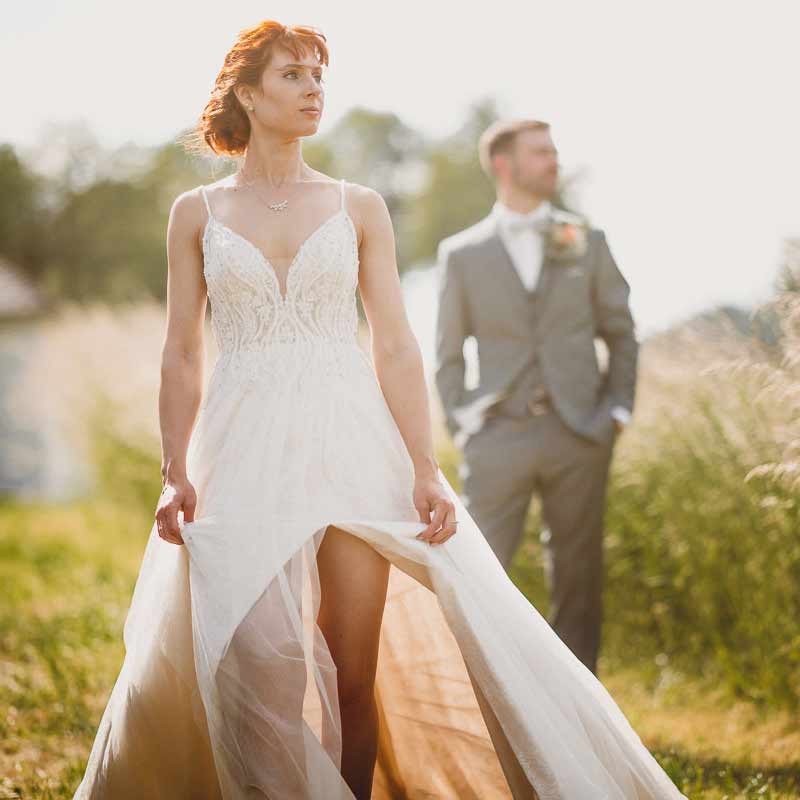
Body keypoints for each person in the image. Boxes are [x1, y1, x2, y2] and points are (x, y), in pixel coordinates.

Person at [72, 20, 685, 800]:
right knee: (258, 659)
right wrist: (174, 468)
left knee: (354, 671)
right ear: (247, 94)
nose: (313, 89)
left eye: (319, 75)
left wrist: (425, 467)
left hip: (351, 439)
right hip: (240, 448)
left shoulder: (358, 205)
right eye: (293, 75)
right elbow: (182, 352)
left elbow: (394, 345)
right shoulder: (195, 212)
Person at [435, 118, 638, 676]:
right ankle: (484, 694)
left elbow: (621, 332)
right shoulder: (462, 254)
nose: (554, 161)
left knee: (578, 576)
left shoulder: (586, 241)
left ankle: (579, 706)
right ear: (504, 165)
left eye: (553, 151)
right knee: (480, 570)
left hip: (580, 433)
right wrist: (466, 427)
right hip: (497, 436)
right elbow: (447, 356)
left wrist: (616, 412)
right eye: (541, 152)